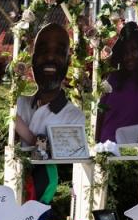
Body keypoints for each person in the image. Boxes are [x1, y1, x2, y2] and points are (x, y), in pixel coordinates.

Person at [14, 23, 85, 205]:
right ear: (33, 58)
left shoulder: (74, 116)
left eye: (59, 51)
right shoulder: (18, 104)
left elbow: (62, 152)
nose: (50, 56)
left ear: (68, 62)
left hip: (46, 190)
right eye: (43, 50)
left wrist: (24, 131)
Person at [95, 22, 138, 143]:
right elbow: (100, 113)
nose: (129, 56)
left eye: (133, 50)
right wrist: (97, 144)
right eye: (125, 52)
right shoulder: (112, 79)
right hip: (110, 147)